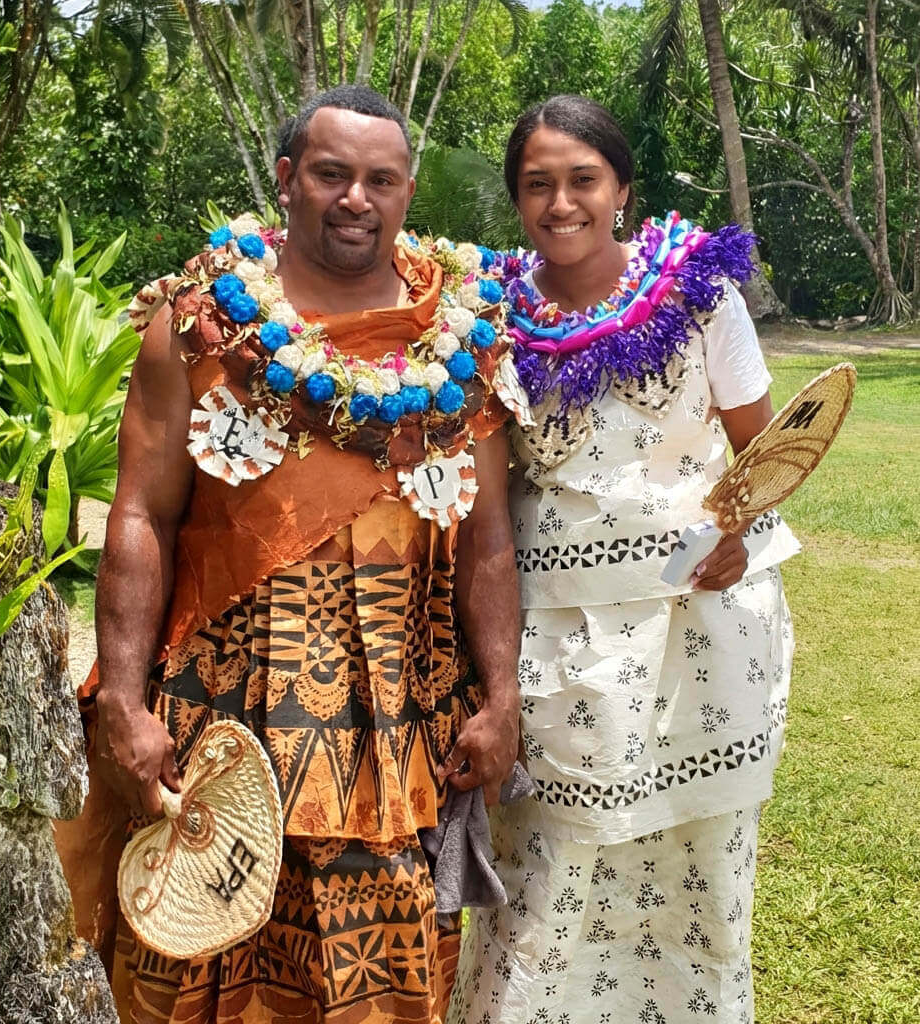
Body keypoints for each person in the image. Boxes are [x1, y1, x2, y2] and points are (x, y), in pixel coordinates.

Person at [58, 85, 521, 1024]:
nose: (358, 198)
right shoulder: (202, 330)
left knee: (383, 989)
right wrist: (123, 698)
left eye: (381, 180)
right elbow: (139, 515)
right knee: (194, 968)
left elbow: (488, 542)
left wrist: (504, 700)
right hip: (217, 723)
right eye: (331, 174)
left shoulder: (462, 341)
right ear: (285, 180)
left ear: (406, 191)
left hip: (398, 726)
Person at [448, 95, 800, 1024]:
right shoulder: (487, 321)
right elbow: (482, 504)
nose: (560, 202)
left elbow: (768, 454)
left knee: (700, 864)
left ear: (621, 190)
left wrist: (738, 531)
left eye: (581, 180)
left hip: (704, 635)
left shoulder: (701, 294)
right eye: (537, 185)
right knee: (549, 871)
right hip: (557, 643)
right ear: (516, 201)